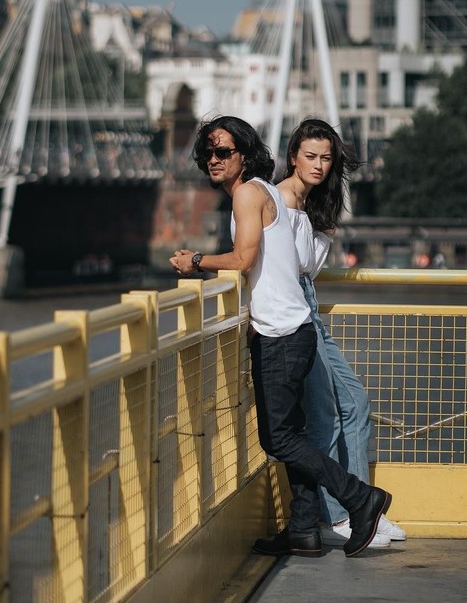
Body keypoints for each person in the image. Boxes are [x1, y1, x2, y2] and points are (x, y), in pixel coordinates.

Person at [169, 115, 392, 558]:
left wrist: (195, 261)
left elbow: (244, 257)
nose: (213, 160)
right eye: (208, 153)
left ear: (246, 155)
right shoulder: (269, 194)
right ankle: (305, 530)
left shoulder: (250, 194)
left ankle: (361, 499)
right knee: (294, 433)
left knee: (280, 439)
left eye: (223, 152)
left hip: (283, 333)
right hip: (290, 328)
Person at [277, 118, 406, 547]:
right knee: (326, 416)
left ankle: (362, 507)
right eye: (310, 156)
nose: (318, 165)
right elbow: (288, 266)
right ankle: (339, 518)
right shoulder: (278, 200)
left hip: (309, 302)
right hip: (294, 308)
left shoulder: (315, 202)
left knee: (355, 401)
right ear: (293, 156)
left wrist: (324, 225)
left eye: (326, 158)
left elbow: (309, 267)